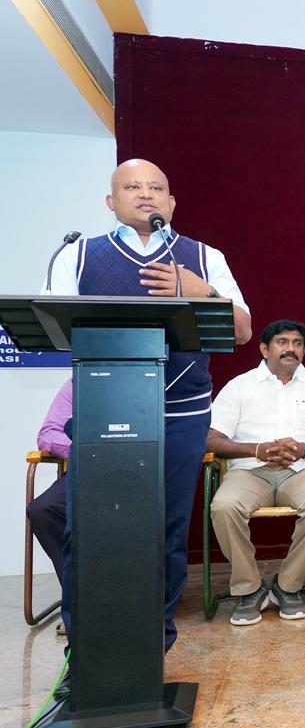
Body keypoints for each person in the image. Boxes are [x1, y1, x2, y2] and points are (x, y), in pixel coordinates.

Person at [44, 158, 252, 652]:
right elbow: (55, 330)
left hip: (182, 414)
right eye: (131, 186)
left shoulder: (205, 258)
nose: (145, 194)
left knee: (167, 528)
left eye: (156, 187)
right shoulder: (78, 256)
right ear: (110, 202)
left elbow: (242, 331)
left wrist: (204, 293)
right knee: (92, 527)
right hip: (105, 410)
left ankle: (151, 642)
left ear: (172, 202)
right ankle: (88, 647)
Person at [206, 320, 305, 625]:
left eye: (297, 343)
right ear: (264, 348)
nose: (290, 349)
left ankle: (287, 586)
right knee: (224, 506)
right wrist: (257, 450)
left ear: (304, 351)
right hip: (249, 470)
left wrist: (304, 450)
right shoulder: (240, 386)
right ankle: (250, 589)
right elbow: (212, 439)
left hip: (300, 470)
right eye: (282, 342)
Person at [27, 379, 72, 587]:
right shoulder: (78, 381)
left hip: (141, 472)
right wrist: (81, 446)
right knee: (43, 510)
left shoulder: (156, 377)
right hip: (86, 472)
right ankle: (78, 593)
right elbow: (48, 433)